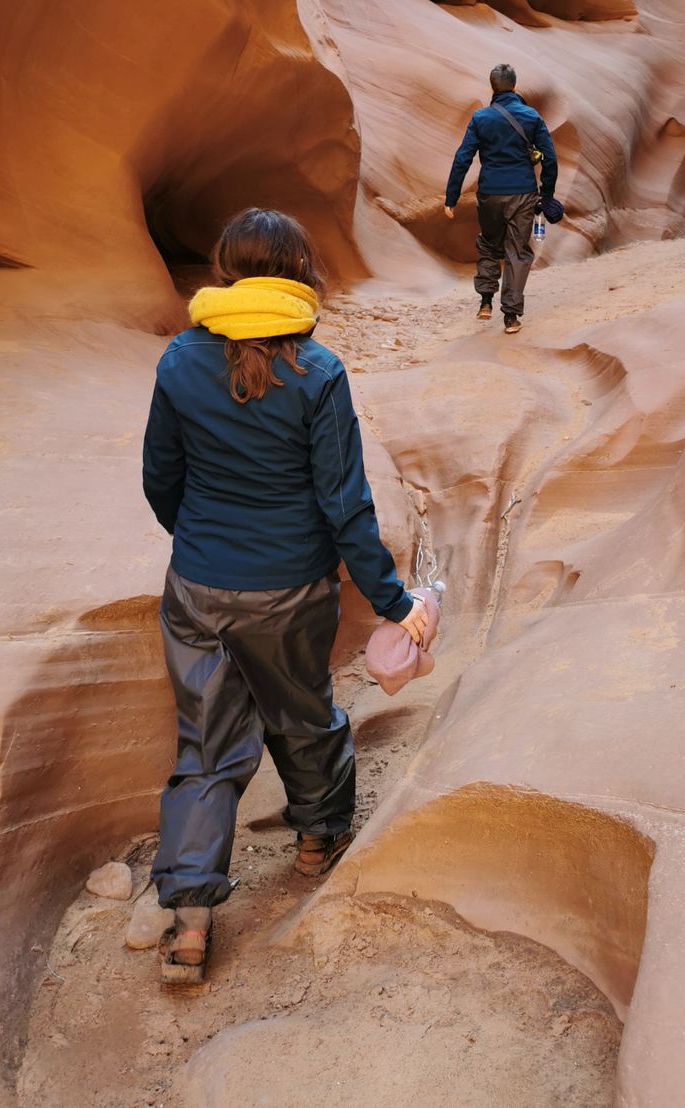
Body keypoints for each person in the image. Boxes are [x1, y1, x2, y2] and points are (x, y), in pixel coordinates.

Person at [141, 207, 428, 977]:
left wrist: (200, 538)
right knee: (301, 709)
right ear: (298, 272)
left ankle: (191, 921)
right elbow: (344, 504)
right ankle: (316, 838)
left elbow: (160, 478)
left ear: (226, 270)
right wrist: (393, 599)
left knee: (205, 745)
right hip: (290, 584)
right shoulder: (317, 371)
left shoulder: (179, 360)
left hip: (199, 583)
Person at [444, 63, 558, 334]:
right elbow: (550, 157)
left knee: (488, 244)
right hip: (523, 192)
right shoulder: (531, 116)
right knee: (517, 252)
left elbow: (463, 157)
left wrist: (452, 196)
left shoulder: (480, 118)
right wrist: (547, 194)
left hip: (490, 193)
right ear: (515, 86)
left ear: (492, 87)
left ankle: (485, 301)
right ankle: (511, 317)